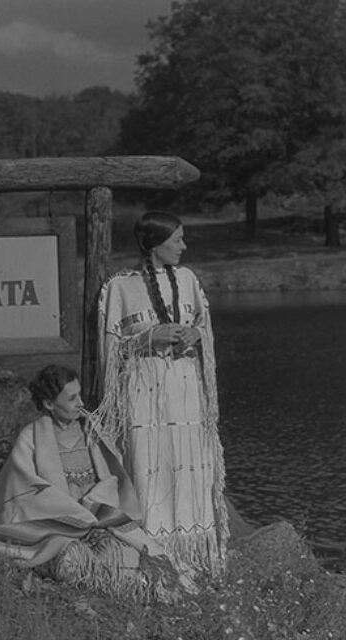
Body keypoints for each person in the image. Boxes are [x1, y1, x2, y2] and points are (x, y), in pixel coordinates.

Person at [0, 364, 181, 602]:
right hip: (56, 525)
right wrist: (70, 512)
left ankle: (121, 584)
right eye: (72, 398)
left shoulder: (93, 432)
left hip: (98, 519)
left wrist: (94, 504)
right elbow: (23, 488)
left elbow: (112, 479)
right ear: (49, 404)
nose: (81, 404)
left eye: (80, 395)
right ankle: (101, 582)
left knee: (125, 556)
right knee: (71, 561)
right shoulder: (31, 437)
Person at [94, 210, 229, 577]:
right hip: (143, 395)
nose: (184, 246)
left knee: (189, 472)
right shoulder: (120, 287)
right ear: (154, 245)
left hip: (186, 392)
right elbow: (109, 352)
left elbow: (203, 324)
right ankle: (151, 555)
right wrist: (148, 338)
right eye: (177, 240)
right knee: (149, 469)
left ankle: (197, 557)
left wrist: (195, 336)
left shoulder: (188, 280)